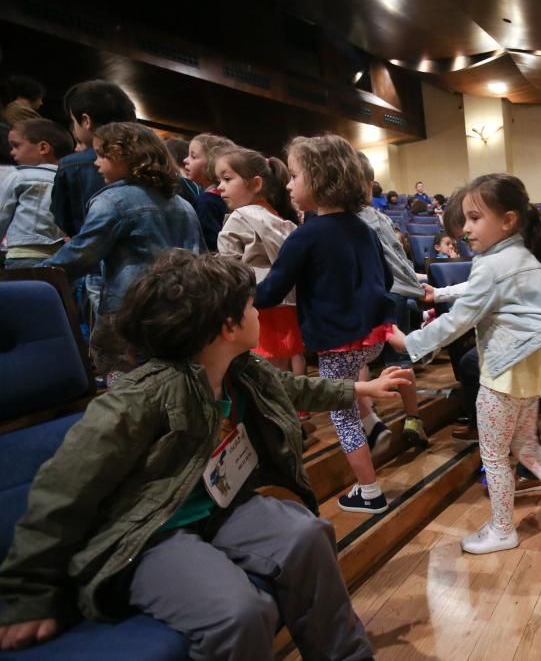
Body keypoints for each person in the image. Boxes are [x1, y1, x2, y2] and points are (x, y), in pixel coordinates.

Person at [0, 249, 408, 658]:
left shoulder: (242, 370)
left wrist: (358, 390)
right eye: (250, 305)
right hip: (150, 531)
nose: (258, 312)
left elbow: (292, 388)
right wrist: (28, 593)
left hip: (218, 509)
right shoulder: (140, 397)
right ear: (227, 326)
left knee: (308, 535)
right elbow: (62, 490)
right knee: (240, 614)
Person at [388, 173, 541, 554]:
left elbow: (460, 319)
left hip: (502, 374)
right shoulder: (526, 259)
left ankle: (503, 529)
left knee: (494, 456)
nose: (466, 228)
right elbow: (479, 288)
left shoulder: (494, 264)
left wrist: (410, 342)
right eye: (465, 219)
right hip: (528, 371)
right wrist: (441, 292)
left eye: (474, 218)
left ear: (508, 220)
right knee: (527, 448)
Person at [255, 134, 400, 515]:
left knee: (341, 411)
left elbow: (270, 291)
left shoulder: (305, 236)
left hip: (337, 341)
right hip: (373, 335)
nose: (288, 184)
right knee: (355, 384)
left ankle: (369, 492)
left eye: (295, 176)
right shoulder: (364, 229)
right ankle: (374, 423)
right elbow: (384, 279)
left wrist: (240, 298)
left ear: (318, 179)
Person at [42, 122, 205, 378]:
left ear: (124, 156)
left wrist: (36, 276)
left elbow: (80, 254)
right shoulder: (182, 204)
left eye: (102, 155)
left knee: (125, 383)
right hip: (181, 308)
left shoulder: (112, 201)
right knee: (171, 379)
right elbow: (200, 256)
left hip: (130, 310)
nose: (96, 163)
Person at [355, 152, 430, 450]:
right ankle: (413, 418)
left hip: (366, 293)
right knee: (400, 357)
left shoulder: (344, 221)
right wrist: (413, 286)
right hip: (396, 291)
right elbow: (400, 257)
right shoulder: (381, 217)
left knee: (358, 354)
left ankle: (369, 417)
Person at [215, 147, 306, 386]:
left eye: (227, 179)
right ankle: (290, 414)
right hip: (286, 305)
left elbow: (228, 268)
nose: (219, 187)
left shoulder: (239, 216)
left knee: (257, 375)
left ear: (255, 183)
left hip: (255, 305)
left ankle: (267, 420)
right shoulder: (279, 218)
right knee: (280, 369)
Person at [50, 80, 136, 239]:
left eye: (73, 121)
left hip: (93, 255)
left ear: (86, 121)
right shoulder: (154, 159)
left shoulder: (72, 165)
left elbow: (62, 219)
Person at [0, 119, 74, 268]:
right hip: (62, 256)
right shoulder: (72, 179)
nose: (12, 152)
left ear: (43, 148)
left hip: (23, 254)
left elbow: (3, 212)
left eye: (16, 145)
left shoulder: (19, 176)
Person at [184, 133, 235, 251]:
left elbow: (208, 245)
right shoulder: (227, 197)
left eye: (193, 156)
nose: (185, 160)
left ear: (211, 163)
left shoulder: (206, 201)